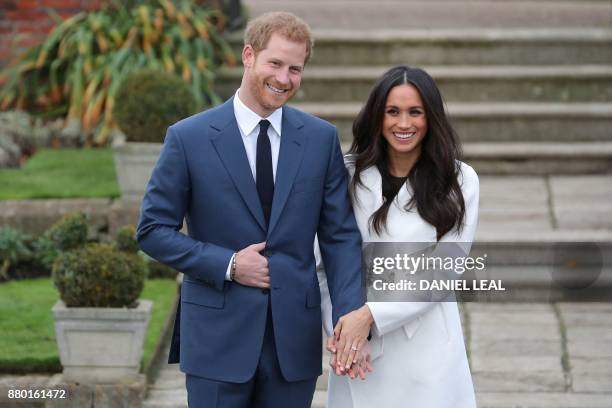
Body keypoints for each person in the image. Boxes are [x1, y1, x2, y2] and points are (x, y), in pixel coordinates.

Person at [136, 12, 367, 408]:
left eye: (295, 69)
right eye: (275, 63)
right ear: (248, 56)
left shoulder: (320, 139)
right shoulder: (188, 138)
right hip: (216, 338)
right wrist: (228, 264)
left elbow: (340, 236)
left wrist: (349, 320)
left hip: (293, 343)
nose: (284, 78)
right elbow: (153, 229)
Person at [317, 66, 479, 407]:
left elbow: (444, 270)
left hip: (428, 351)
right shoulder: (346, 175)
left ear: (431, 117)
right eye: (393, 112)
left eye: (415, 112)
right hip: (358, 353)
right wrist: (344, 332)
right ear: (377, 116)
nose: (403, 124)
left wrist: (371, 317)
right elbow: (323, 264)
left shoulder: (460, 180)